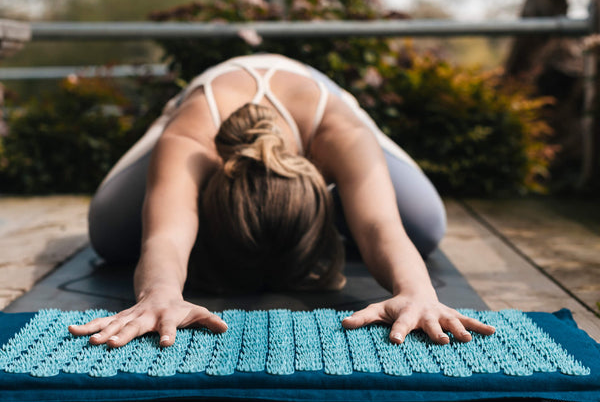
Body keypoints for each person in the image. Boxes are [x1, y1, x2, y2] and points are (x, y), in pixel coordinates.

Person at [69, 53, 495, 348]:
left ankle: (347, 193)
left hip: (318, 97)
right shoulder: (194, 134)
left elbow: (381, 224)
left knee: (424, 226)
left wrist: (416, 290)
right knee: (110, 233)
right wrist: (158, 294)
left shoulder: (339, 132)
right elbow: (166, 234)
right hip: (209, 96)